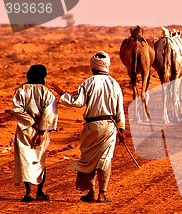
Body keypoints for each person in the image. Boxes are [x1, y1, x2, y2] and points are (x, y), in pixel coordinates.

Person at [51, 51, 125, 203]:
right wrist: (121, 128)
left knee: (88, 159)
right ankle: (102, 194)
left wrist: (62, 93)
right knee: (105, 159)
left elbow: (77, 102)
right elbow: (120, 109)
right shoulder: (115, 84)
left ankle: (91, 192)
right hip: (109, 126)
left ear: (93, 67)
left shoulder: (88, 82)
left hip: (92, 126)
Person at [12, 64, 58, 202]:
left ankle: (29, 192)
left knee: (25, 160)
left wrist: (31, 123)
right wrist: (41, 130)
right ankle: (39, 191)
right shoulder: (48, 93)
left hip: (24, 129)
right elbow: (50, 113)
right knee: (40, 160)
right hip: (41, 131)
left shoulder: (20, 91)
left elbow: (17, 111)